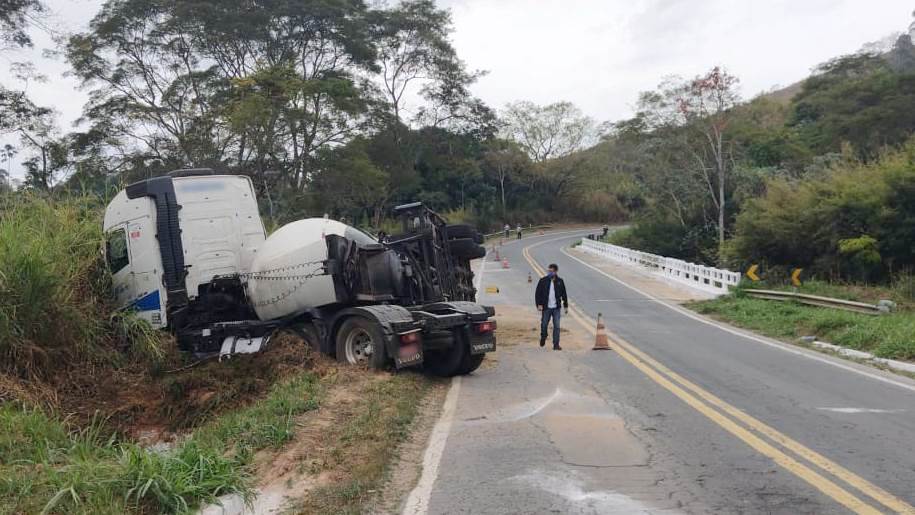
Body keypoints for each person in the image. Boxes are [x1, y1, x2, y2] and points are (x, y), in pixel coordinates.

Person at [535, 264, 568, 350]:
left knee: (557, 326)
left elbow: (564, 294)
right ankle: (543, 336)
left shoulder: (560, 281)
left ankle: (556, 344)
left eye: (551, 271)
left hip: (556, 308)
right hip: (546, 307)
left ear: (555, 272)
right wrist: (539, 304)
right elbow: (538, 293)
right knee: (544, 324)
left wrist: (565, 306)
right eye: (548, 271)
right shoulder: (543, 281)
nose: (549, 272)